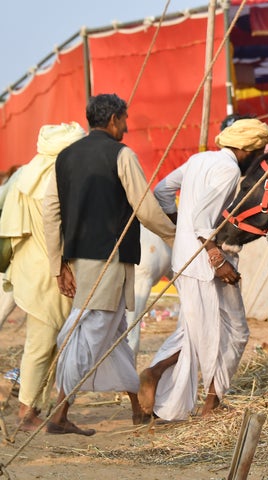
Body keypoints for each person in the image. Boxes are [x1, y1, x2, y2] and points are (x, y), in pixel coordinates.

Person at [43, 93, 176, 436]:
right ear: (114, 119)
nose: (127, 127)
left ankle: (138, 409)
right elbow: (145, 208)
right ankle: (59, 414)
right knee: (89, 333)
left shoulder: (65, 157)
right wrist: (176, 236)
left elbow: (51, 214)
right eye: (125, 120)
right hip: (110, 261)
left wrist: (59, 265)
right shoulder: (122, 154)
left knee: (114, 335)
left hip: (80, 260)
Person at [138, 118, 268, 420]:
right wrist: (217, 258)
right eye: (259, 151)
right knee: (233, 332)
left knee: (192, 329)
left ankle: (170, 392)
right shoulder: (229, 170)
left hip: (184, 257)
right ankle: (198, 396)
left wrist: (179, 226)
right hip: (207, 262)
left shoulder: (199, 159)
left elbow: (162, 191)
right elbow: (202, 219)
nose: (260, 157)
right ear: (246, 149)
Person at [0, 122, 85, 431]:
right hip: (50, 271)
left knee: (49, 342)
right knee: (42, 343)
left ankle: (33, 406)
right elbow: (58, 230)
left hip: (32, 267)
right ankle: (25, 412)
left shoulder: (25, 174)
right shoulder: (57, 177)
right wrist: (62, 267)